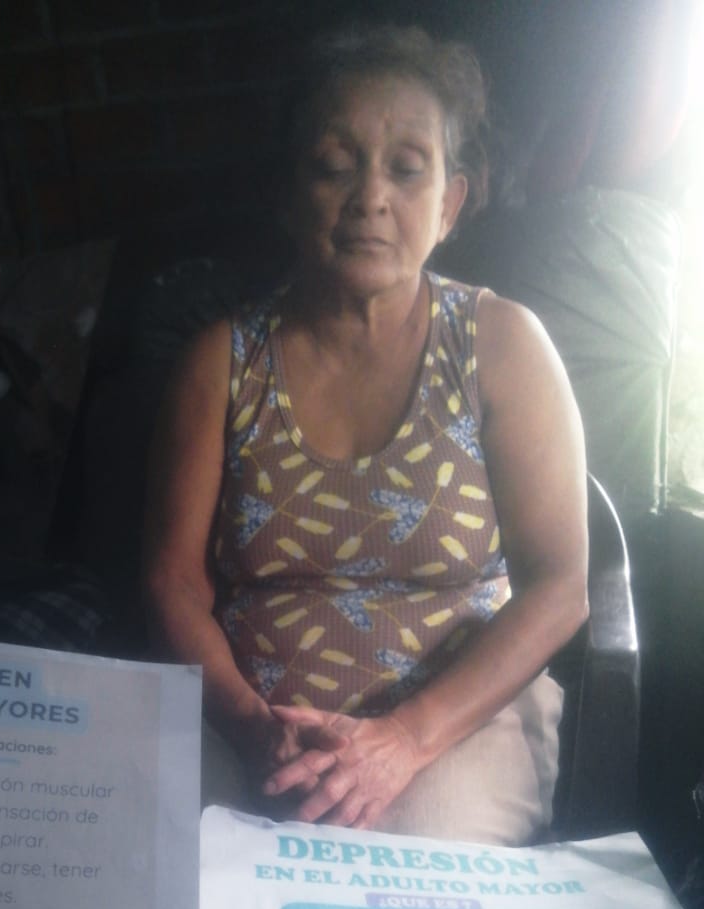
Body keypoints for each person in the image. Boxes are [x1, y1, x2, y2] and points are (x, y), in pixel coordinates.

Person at [143, 25, 589, 846]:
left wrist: (404, 739)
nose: (370, 198)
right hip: (250, 723)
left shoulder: (501, 345)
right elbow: (172, 581)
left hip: (456, 725)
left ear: (450, 203)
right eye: (333, 165)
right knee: (184, 872)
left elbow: (560, 585)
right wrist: (251, 725)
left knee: (414, 881)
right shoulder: (220, 363)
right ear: (287, 194)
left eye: (407, 168)